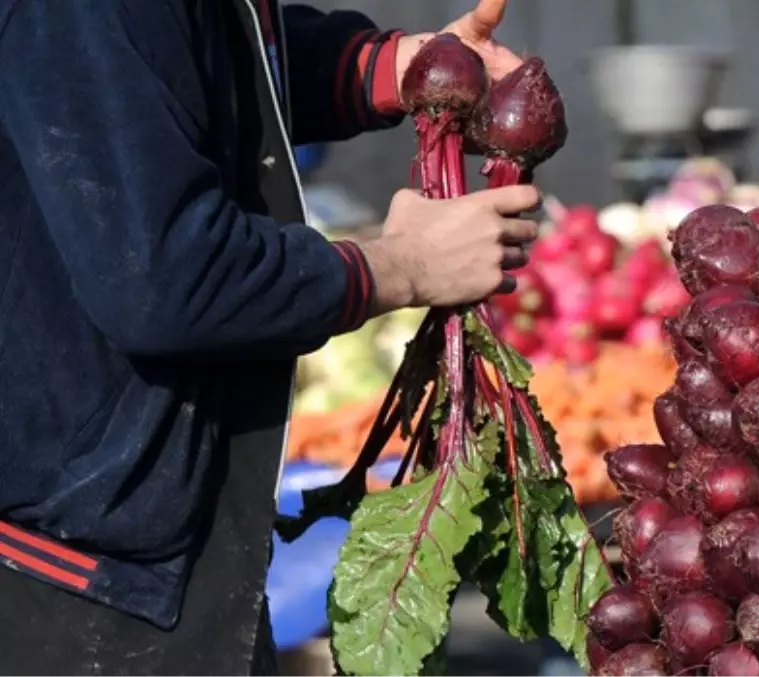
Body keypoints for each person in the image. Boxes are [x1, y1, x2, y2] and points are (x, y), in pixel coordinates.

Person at [0, 0, 539, 673]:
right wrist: (400, 266)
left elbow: (192, 70)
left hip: (150, 542)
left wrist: (393, 66)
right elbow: (166, 279)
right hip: (81, 569)